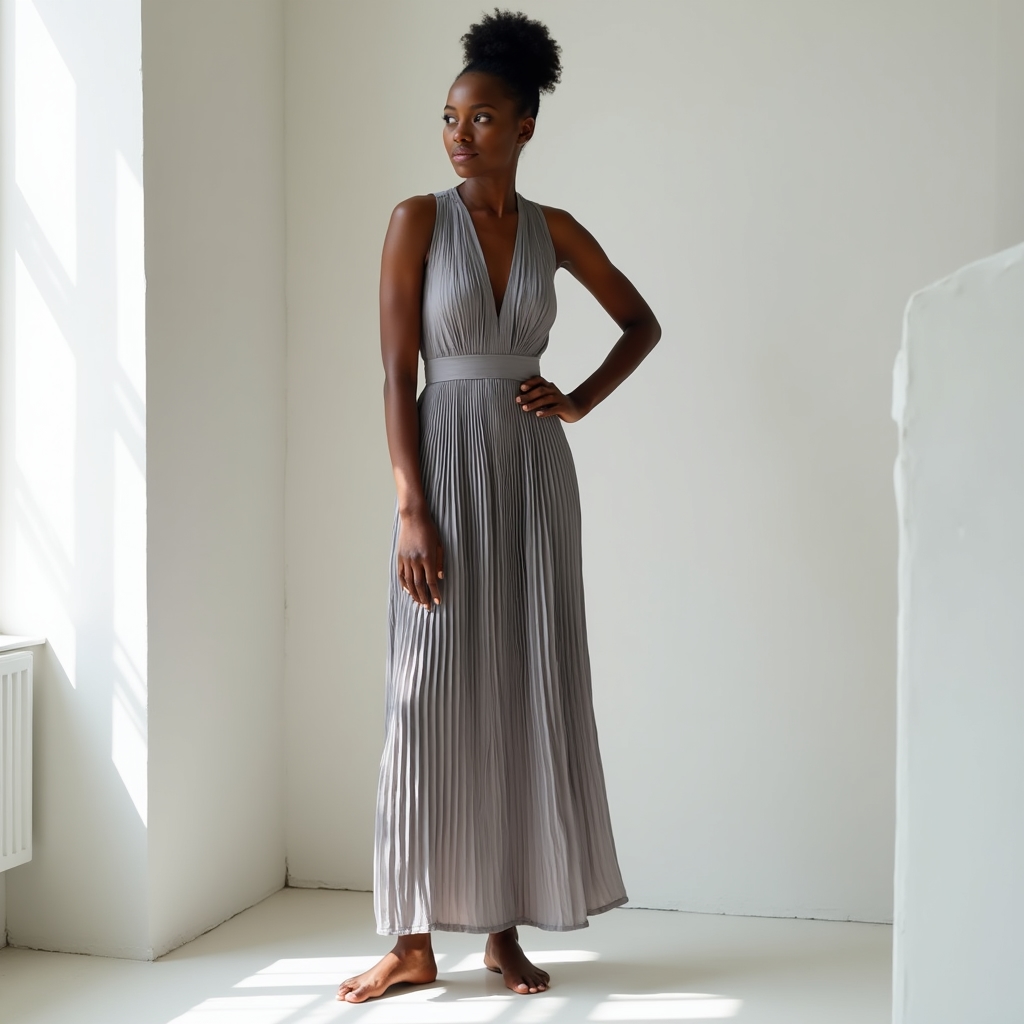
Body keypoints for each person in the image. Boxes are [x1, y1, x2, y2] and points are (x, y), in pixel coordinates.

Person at [338, 8, 661, 1004]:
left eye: (481, 118)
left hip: (530, 475)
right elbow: (396, 374)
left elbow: (641, 323)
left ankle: (501, 931)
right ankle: (410, 939)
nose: (459, 133)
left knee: (521, 683)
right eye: (449, 116)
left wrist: (579, 399)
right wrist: (410, 508)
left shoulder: (554, 231)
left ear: (524, 125)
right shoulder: (415, 220)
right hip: (442, 465)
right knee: (425, 693)